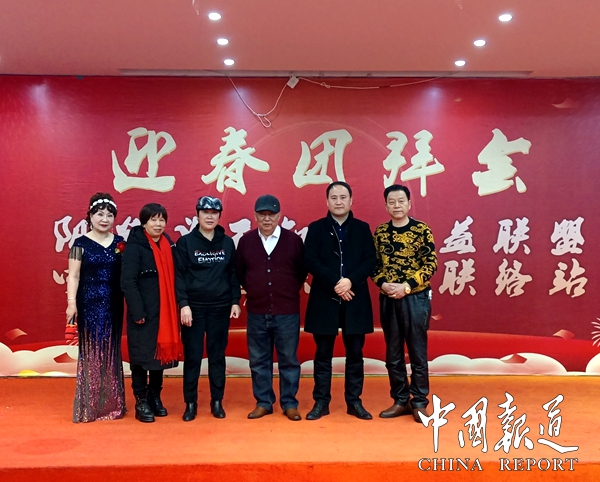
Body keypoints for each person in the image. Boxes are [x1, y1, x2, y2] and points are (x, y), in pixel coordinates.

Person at [303, 182, 376, 420]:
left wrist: (350, 282)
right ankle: (321, 402)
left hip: (355, 298)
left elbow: (370, 260)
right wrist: (337, 283)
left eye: (343, 197)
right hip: (325, 297)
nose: (338, 201)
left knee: (355, 354)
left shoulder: (362, 228)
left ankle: (354, 402)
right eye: (333, 197)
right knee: (323, 354)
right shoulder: (316, 228)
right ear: (327, 201)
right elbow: (310, 260)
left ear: (351, 201)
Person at [235, 195, 306, 421]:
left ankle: (289, 403)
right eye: (262, 215)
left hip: (287, 312)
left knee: (289, 360)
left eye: (271, 215)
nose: (267, 219)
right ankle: (263, 402)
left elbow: (301, 272)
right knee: (258, 360)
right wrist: (256, 290)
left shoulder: (293, 241)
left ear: (279, 216)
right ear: (255, 216)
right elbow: (240, 272)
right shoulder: (246, 241)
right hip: (257, 311)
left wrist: (285, 291)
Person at [372, 184, 437, 422]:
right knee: (393, 353)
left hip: (415, 297)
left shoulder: (421, 230)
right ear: (386, 205)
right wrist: (382, 283)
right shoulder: (380, 232)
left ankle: (419, 402)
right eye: (392, 202)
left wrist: (406, 286)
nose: (397, 206)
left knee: (417, 352)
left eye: (401, 201)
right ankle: (400, 400)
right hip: (389, 298)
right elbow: (374, 265)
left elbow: (431, 264)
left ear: (409, 204)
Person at [175, 196, 241, 422]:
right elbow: (179, 276)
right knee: (193, 356)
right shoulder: (185, 243)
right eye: (205, 212)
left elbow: (233, 275)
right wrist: (183, 304)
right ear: (198, 215)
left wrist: (235, 301)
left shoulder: (227, 243)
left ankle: (217, 401)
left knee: (217, 356)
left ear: (219, 216)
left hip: (220, 307)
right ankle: (190, 403)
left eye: (214, 213)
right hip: (193, 309)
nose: (210, 217)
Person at [65, 192, 126, 423]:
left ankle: (112, 404)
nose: (104, 219)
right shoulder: (79, 244)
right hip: (88, 304)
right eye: (100, 214)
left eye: (109, 215)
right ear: (90, 216)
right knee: (92, 352)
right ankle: (89, 406)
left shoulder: (121, 243)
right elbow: (73, 276)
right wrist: (71, 303)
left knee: (110, 350)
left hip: (114, 304)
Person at [121, 203, 181, 423]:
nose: (158, 224)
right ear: (144, 223)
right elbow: (128, 282)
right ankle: (141, 400)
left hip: (164, 313)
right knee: (140, 358)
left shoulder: (169, 245)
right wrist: (138, 312)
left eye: (162, 219)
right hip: (143, 314)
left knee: (159, 357)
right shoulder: (135, 247)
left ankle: (155, 396)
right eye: (153, 219)